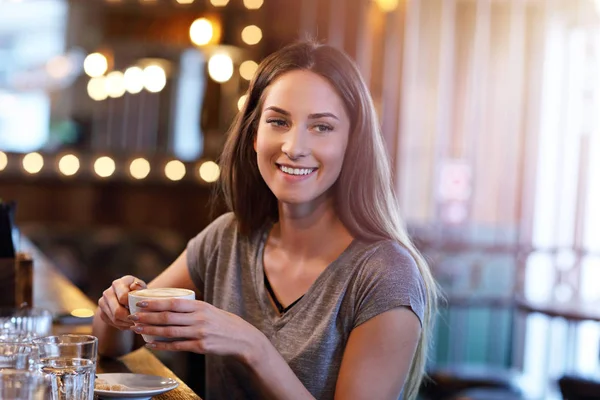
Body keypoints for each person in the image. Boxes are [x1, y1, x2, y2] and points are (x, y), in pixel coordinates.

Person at [92, 40, 438, 400]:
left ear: (352, 144)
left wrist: (252, 347)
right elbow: (112, 344)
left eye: (321, 127)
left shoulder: (386, 276)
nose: (293, 146)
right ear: (254, 135)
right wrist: (113, 310)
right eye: (278, 121)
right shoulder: (227, 238)